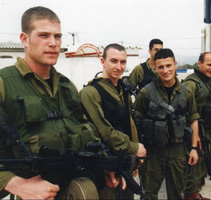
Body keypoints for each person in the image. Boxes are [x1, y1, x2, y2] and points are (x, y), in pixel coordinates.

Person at [0, 6, 121, 199]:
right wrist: (15, 183)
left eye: (57, 36)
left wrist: (102, 164)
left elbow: (84, 130)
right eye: (43, 35)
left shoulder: (67, 86)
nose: (53, 43)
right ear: (24, 39)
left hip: (72, 189)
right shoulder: (4, 84)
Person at [79, 43, 147, 199]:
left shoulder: (122, 89)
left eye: (123, 62)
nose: (119, 66)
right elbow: (103, 130)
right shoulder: (90, 92)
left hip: (124, 160)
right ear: (103, 62)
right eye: (114, 61)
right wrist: (133, 147)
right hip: (103, 166)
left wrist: (134, 157)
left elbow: (129, 123)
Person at [133, 48, 200, 200]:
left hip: (178, 151)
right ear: (155, 68)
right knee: (149, 193)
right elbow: (136, 123)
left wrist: (194, 148)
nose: (165, 70)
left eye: (168, 65)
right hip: (153, 152)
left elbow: (194, 119)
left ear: (175, 64)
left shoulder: (186, 92)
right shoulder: (146, 93)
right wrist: (137, 150)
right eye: (161, 67)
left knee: (176, 192)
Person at [183, 52, 211, 200]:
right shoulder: (191, 83)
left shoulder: (210, 81)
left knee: (205, 158)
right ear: (199, 64)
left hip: (208, 129)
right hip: (196, 130)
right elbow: (184, 111)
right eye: (209, 64)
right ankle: (189, 194)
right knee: (193, 163)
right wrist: (195, 134)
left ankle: (194, 191)